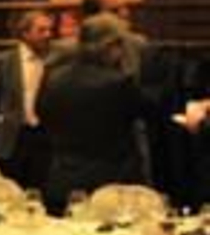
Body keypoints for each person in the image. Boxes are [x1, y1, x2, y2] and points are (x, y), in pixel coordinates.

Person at [37, 13, 149, 214]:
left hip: (62, 179)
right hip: (111, 185)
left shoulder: (54, 78)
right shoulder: (119, 83)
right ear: (109, 46)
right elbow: (142, 117)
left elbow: (42, 114)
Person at [0, 7, 55, 189]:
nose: (48, 35)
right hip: (11, 138)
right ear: (25, 33)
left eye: (50, 30)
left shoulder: (55, 60)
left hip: (44, 137)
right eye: (41, 30)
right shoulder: (0, 62)